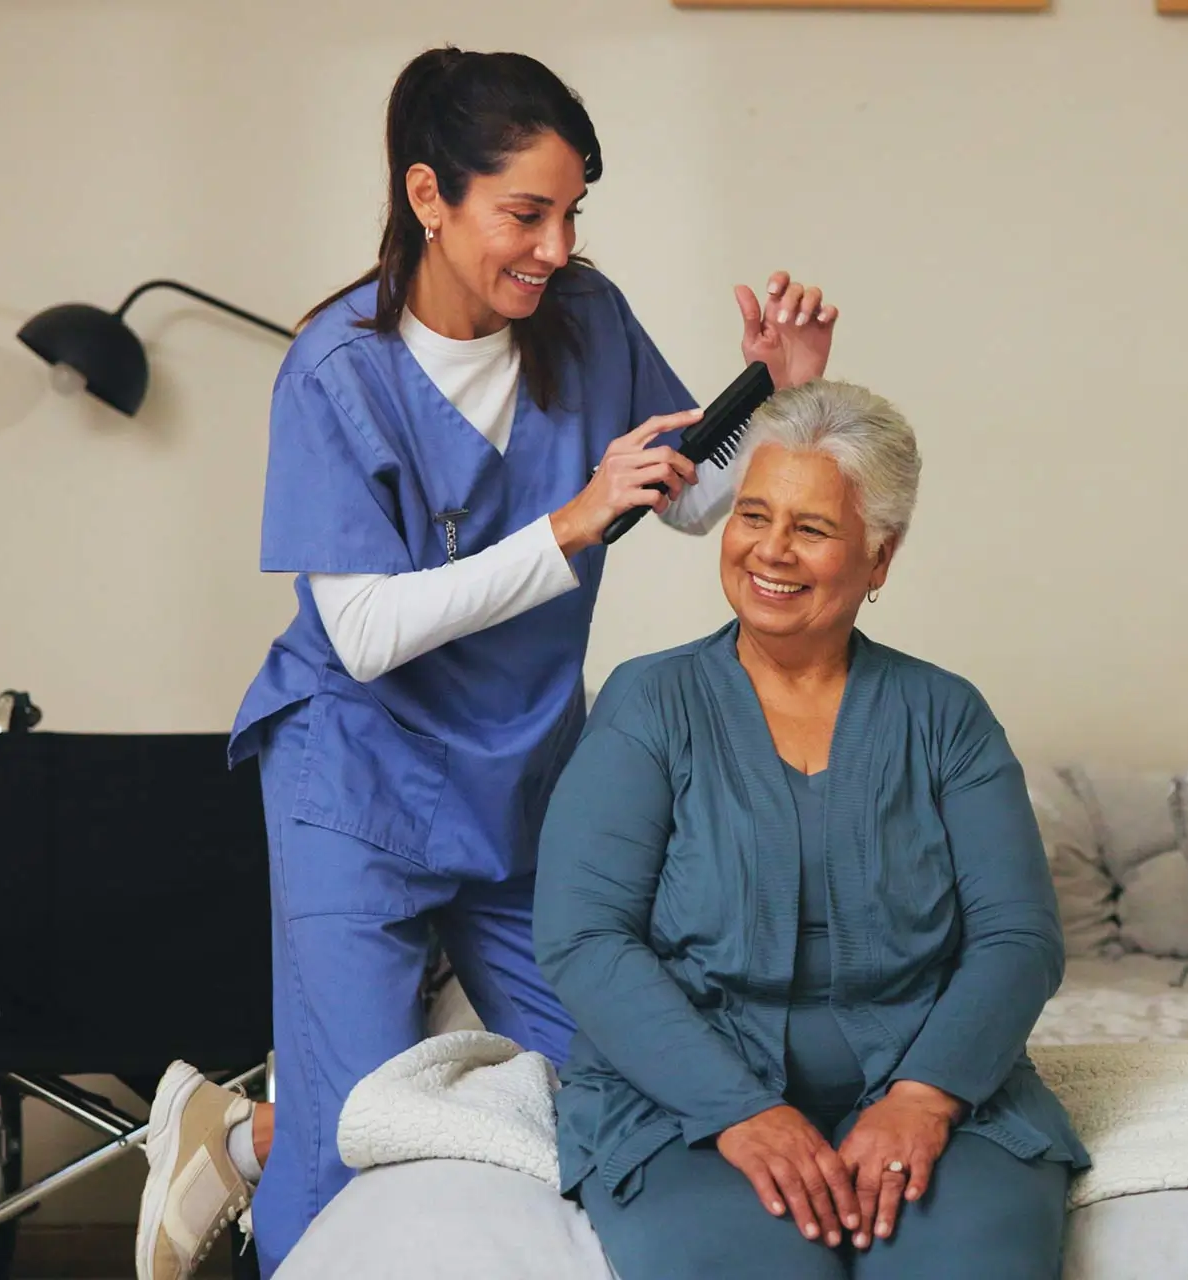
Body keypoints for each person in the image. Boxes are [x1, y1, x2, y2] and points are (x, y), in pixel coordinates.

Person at [130, 46, 841, 1280]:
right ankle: (270, 1146)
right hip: (355, 779)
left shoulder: (582, 316)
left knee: (611, 1074)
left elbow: (678, 501)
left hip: (517, 776)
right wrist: (568, 521)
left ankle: (246, 1123)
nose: (557, 244)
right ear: (428, 198)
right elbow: (361, 631)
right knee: (357, 1136)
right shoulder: (337, 370)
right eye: (526, 211)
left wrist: (775, 394)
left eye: (572, 212)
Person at [533, 380, 1090, 1279]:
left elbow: (1018, 935)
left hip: (931, 1090)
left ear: (879, 558)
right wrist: (737, 1109)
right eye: (754, 514)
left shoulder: (946, 716)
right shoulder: (650, 703)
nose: (771, 550)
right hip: (682, 1105)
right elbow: (583, 936)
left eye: (813, 528)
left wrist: (924, 1096)